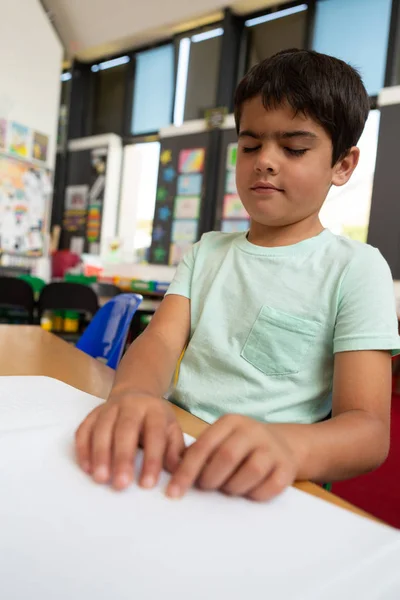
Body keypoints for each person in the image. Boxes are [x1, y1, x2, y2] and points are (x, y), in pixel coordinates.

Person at [76, 48, 400, 502]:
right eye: (250, 145)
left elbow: (368, 430)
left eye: (294, 148)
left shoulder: (357, 269)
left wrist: (287, 444)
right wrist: (135, 394)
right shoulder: (207, 252)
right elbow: (160, 342)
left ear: (342, 165)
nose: (265, 160)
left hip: (262, 480)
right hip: (176, 452)